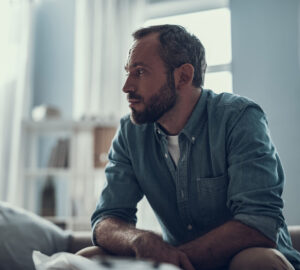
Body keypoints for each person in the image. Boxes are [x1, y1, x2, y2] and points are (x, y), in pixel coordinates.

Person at [86, 25, 300, 270]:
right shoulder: (130, 131)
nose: (127, 87)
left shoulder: (239, 118)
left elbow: (258, 223)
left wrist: (173, 258)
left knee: (256, 262)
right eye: (128, 72)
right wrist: (138, 239)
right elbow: (105, 220)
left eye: (140, 72)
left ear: (183, 76)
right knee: (87, 257)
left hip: (240, 259)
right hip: (176, 263)